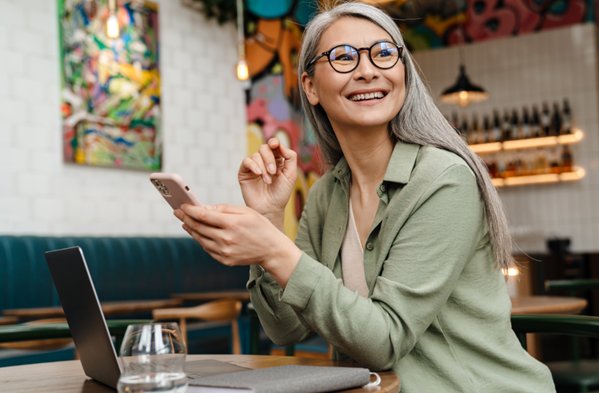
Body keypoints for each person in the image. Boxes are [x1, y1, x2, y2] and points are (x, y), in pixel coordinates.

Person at [175, 2, 555, 392]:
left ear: (402, 71)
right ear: (310, 86)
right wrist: (271, 217)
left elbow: (384, 341)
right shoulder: (328, 194)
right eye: (343, 57)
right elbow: (284, 330)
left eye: (384, 53)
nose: (368, 70)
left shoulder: (444, 181)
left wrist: (273, 250)